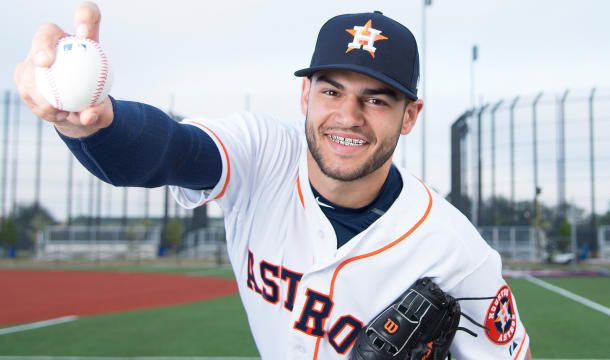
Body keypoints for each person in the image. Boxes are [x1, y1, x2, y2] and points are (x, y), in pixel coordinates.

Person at [15, 2, 532, 359]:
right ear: (305, 95)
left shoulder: (456, 253)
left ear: (411, 115)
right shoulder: (262, 154)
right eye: (332, 92)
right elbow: (165, 150)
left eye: (376, 99)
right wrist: (96, 125)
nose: (348, 116)